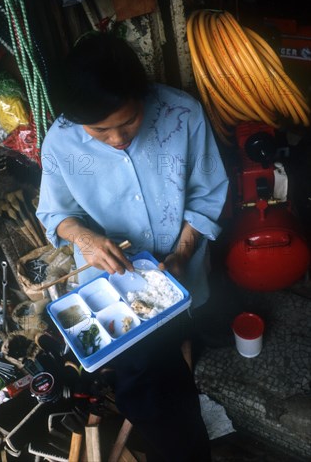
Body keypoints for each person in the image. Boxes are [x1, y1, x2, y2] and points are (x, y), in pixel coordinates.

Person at [36, 31, 229, 461]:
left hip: (182, 270)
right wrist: (85, 237)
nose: (118, 139)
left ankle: (190, 337)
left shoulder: (182, 114)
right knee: (148, 387)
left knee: (191, 319)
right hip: (114, 285)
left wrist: (181, 254)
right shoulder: (61, 143)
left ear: (142, 95)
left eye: (128, 122)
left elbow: (207, 193)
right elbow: (54, 215)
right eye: (100, 131)